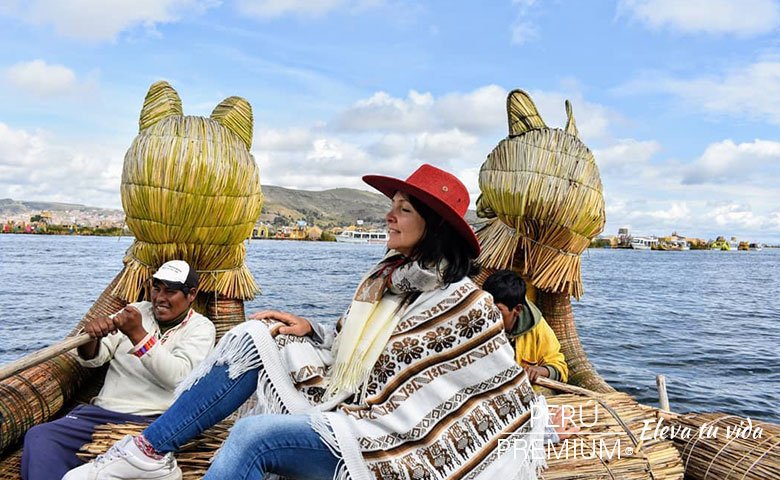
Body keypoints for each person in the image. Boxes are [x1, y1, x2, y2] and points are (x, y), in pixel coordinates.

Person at [65, 164, 569, 480]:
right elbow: (360, 349)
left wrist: (537, 392)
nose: (388, 217)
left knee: (252, 438)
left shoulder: (468, 304)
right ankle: (151, 450)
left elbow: (492, 390)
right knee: (255, 335)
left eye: (403, 209)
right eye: (390, 208)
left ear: (433, 225)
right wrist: (314, 330)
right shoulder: (383, 281)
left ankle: (149, 450)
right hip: (353, 407)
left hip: (394, 445)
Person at [22, 260, 216, 480]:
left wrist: (138, 335)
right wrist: (92, 336)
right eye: (156, 288)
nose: (160, 298)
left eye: (170, 292)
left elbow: (179, 377)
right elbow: (94, 358)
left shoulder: (201, 328)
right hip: (101, 415)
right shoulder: (135, 312)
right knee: (40, 436)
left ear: (191, 294)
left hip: (153, 424)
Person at [482, 270, 568, 383]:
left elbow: (560, 368)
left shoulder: (537, 328)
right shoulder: (476, 324)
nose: (489, 315)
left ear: (517, 309)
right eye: (486, 307)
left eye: (497, 311)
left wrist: (540, 371)